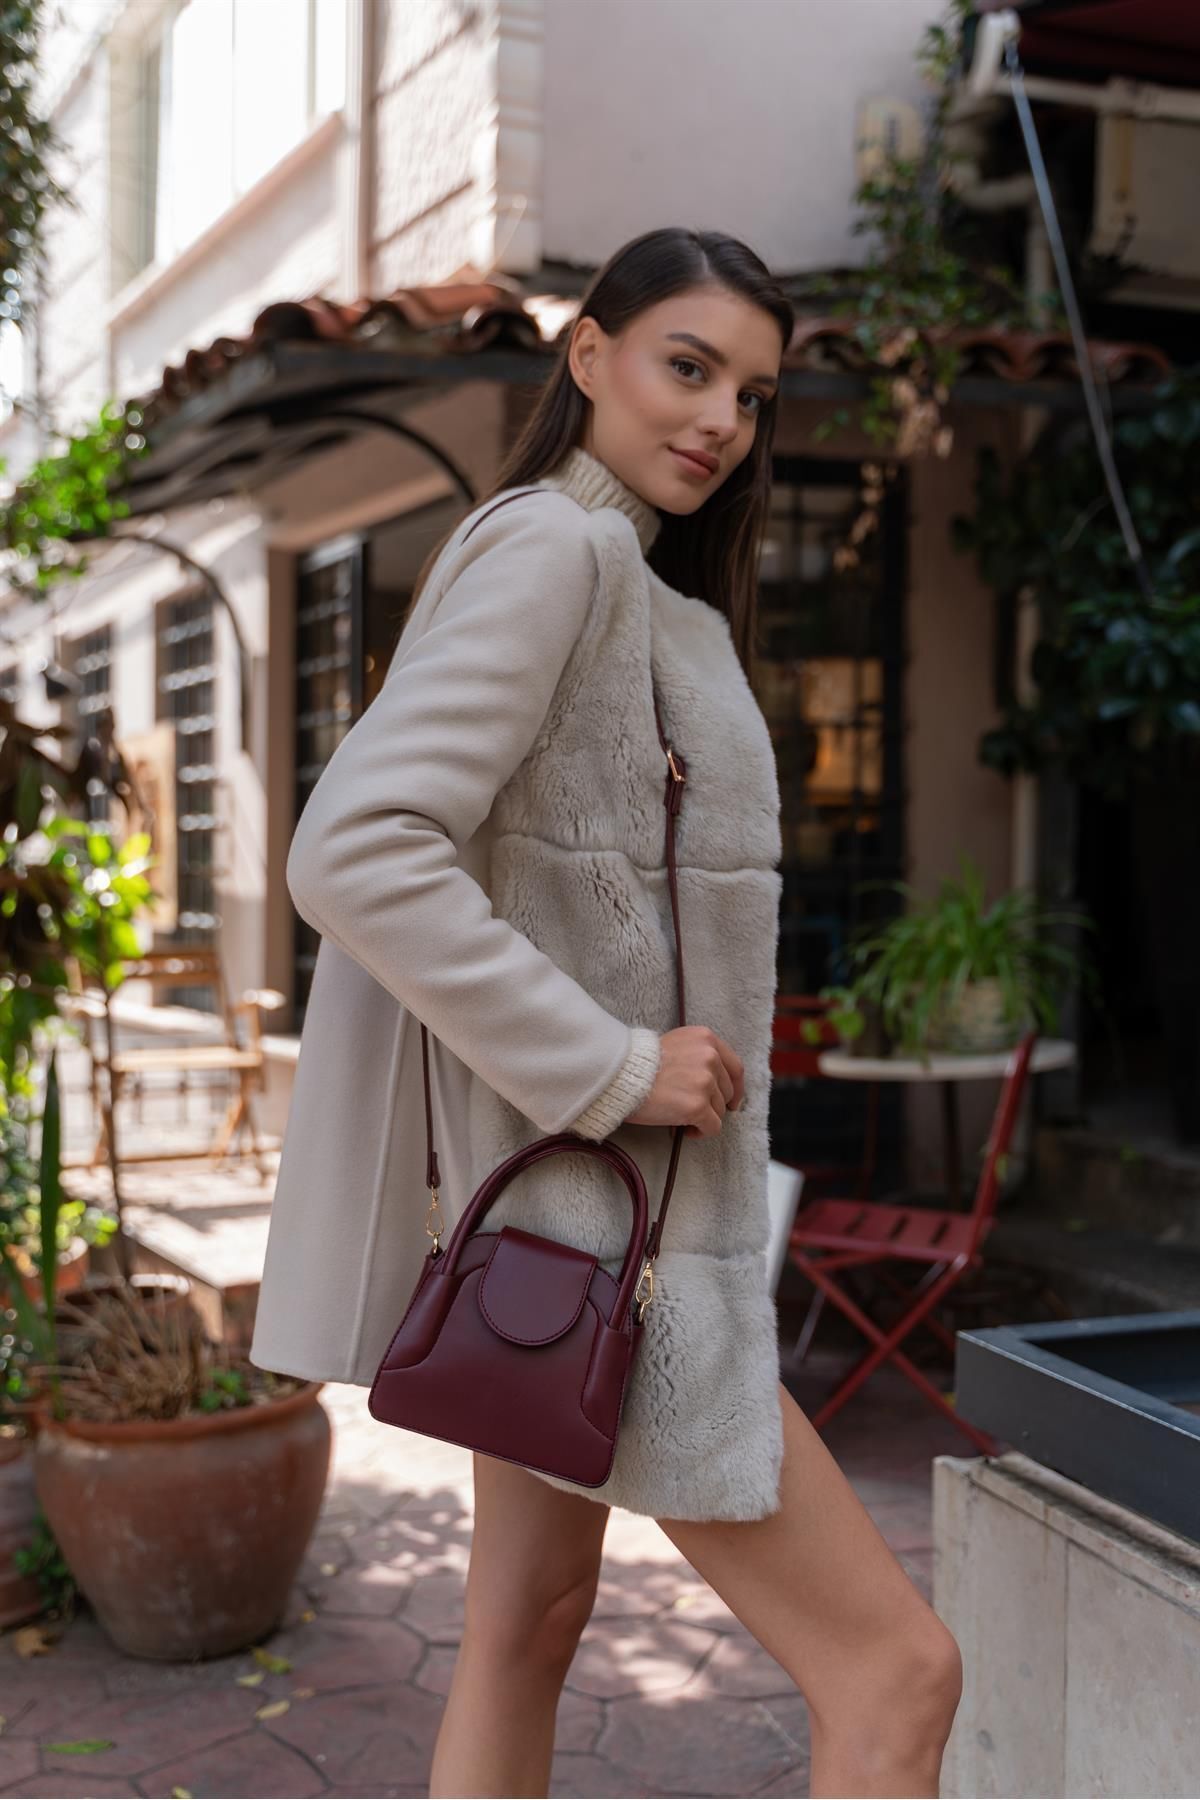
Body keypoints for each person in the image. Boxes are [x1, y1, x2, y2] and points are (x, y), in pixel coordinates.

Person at [250, 227, 962, 1799]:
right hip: (616, 1253)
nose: (721, 420)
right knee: (901, 1673)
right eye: (686, 366)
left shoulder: (628, 580)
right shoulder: (560, 552)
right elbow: (353, 847)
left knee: (528, 1623)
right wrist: (613, 1064)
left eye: (755, 395)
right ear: (589, 355)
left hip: (571, 1247)